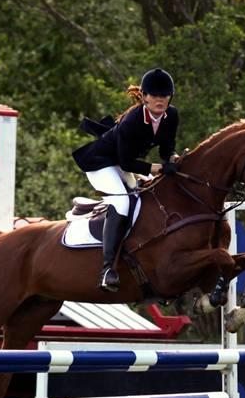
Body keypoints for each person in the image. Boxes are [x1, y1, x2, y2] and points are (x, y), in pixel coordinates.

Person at [72, 68, 180, 292]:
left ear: (170, 96)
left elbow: (167, 148)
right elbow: (127, 162)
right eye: (155, 95)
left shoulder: (172, 116)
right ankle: (107, 269)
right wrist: (158, 168)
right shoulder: (133, 120)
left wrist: (174, 159)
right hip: (101, 163)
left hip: (123, 163)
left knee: (149, 194)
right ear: (145, 97)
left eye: (164, 95)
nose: (160, 100)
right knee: (121, 203)